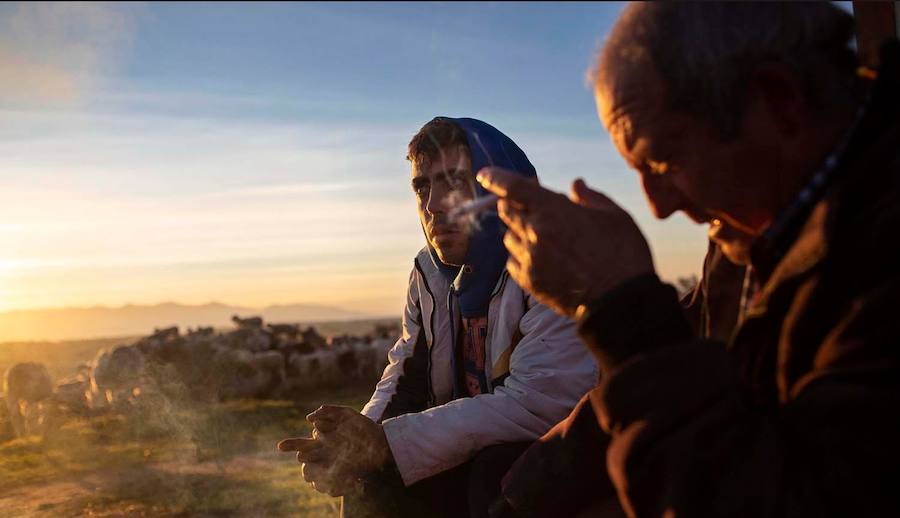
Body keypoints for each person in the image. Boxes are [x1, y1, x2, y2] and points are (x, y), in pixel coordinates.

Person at [478, 3, 900, 517]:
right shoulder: (752, 234)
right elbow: (678, 365)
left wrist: (619, 309)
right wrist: (517, 501)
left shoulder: (878, 245)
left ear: (779, 99)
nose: (658, 206)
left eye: (664, 160)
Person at [278, 117, 598, 517]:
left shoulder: (552, 262)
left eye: (453, 181)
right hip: (473, 446)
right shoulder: (429, 275)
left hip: (569, 457)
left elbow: (541, 405)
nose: (433, 205)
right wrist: (355, 442)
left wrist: (388, 443)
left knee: (500, 471)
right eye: (422, 187)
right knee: (372, 476)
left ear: (496, 187)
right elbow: (406, 373)